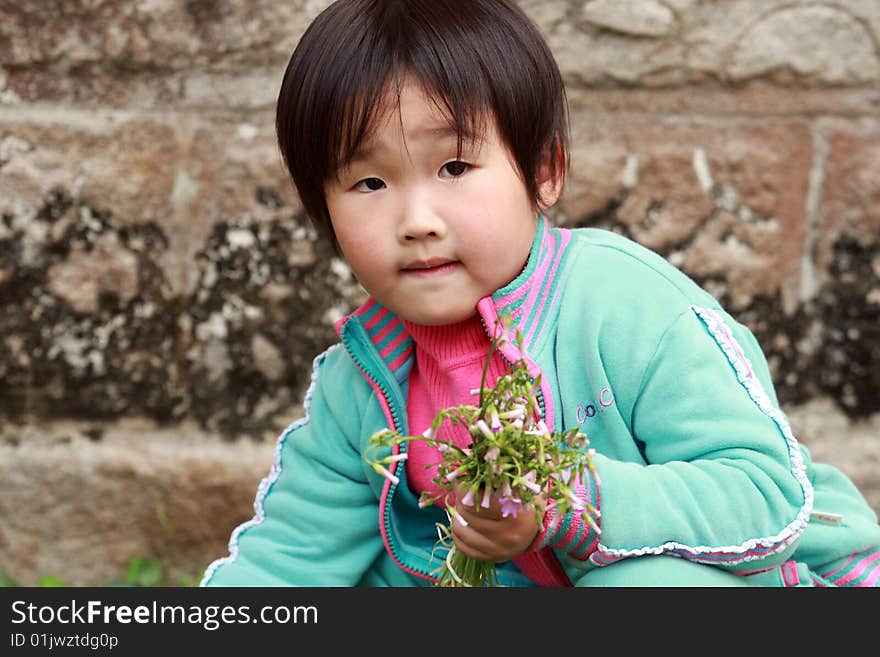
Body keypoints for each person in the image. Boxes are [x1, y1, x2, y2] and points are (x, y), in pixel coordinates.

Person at [201, 0, 880, 587]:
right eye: (369, 183)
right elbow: (290, 555)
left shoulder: (622, 307)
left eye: (455, 166)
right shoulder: (364, 381)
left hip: (769, 578)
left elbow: (767, 495)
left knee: (648, 582)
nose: (417, 222)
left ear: (544, 169)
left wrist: (567, 500)